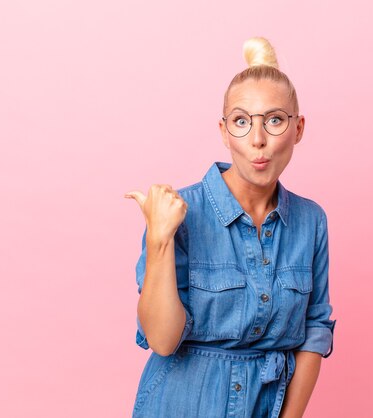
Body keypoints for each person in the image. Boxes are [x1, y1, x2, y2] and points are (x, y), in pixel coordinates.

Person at [124, 36, 336, 418]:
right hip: (180, 405)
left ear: (298, 128)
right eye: (241, 121)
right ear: (224, 131)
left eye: (274, 120)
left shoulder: (311, 221)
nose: (258, 140)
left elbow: (314, 330)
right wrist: (160, 239)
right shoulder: (180, 213)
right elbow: (163, 339)